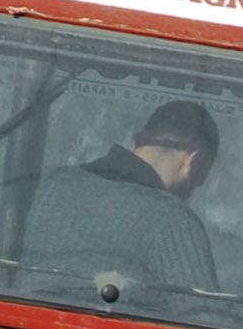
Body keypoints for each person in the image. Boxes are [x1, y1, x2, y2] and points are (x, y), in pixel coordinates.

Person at [26, 98, 221, 291]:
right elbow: (202, 315)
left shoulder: (49, 185)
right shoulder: (172, 221)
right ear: (196, 162)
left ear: (134, 142)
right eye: (202, 178)